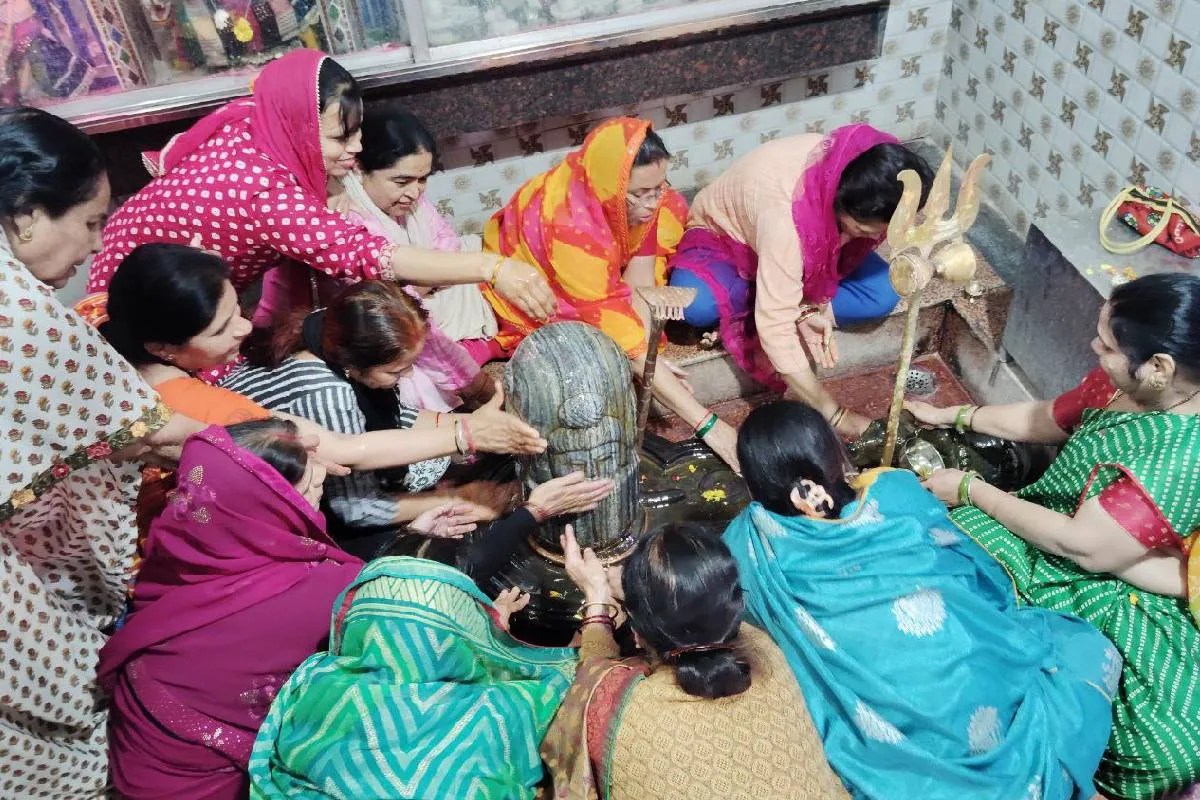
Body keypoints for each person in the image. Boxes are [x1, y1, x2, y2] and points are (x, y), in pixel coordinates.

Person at [93, 244, 598, 558]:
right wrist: (466, 476)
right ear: (163, 347)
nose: (246, 329)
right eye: (223, 327)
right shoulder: (299, 394)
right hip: (248, 534)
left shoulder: (323, 330)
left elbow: (390, 418)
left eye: (238, 311)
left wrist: (461, 426)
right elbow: (346, 462)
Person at [725, 400, 1119, 800]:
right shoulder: (895, 491)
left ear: (755, 480)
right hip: (975, 676)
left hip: (899, 756)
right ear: (830, 453)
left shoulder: (746, 547)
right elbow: (978, 573)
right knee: (1081, 650)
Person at [916, 272, 1200, 800]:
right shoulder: (1127, 385)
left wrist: (973, 490)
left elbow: (1080, 547)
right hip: (1064, 530)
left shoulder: (1178, 457)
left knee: (1163, 748)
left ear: (1159, 368)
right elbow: (1048, 417)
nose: (1094, 347)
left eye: (1108, 345)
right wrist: (954, 414)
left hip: (1110, 575)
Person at [0, 106, 200, 797]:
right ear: (27, 215)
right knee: (54, 734)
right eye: (89, 223)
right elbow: (147, 431)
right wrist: (270, 444)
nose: (94, 247)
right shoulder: (17, 314)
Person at [86, 49, 557, 334]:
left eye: (356, 131)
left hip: (143, 247)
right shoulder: (266, 194)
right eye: (340, 137)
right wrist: (491, 267)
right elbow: (368, 255)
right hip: (148, 296)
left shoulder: (260, 120)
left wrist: (327, 182)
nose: (357, 148)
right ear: (298, 127)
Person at [223, 279, 614, 556]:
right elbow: (355, 510)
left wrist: (471, 425)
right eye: (397, 371)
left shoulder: (333, 327)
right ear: (352, 364)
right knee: (451, 544)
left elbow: (394, 414)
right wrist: (466, 498)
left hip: (343, 462)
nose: (408, 377)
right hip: (305, 512)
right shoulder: (328, 394)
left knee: (481, 450)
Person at [96, 420, 364, 800]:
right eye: (311, 487)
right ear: (274, 504)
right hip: (206, 785)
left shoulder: (182, 529)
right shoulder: (325, 588)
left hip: (134, 758)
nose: (319, 485)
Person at [480, 117, 741, 469]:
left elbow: (640, 281)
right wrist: (710, 427)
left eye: (658, 188)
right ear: (609, 187)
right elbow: (613, 321)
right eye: (640, 194)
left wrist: (647, 354)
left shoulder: (639, 201)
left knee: (638, 329)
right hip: (545, 270)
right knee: (595, 341)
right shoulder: (569, 226)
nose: (652, 204)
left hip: (592, 255)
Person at [544, 523, 849, 799]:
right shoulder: (766, 651)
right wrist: (644, 595)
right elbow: (706, 613)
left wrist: (597, 599)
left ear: (637, 634)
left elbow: (592, 683)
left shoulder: (625, 713)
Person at [668, 125, 934, 437]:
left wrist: (806, 307)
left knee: (884, 291)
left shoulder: (864, 169)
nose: (877, 237)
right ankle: (771, 296)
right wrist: (835, 414)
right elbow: (776, 327)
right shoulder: (786, 223)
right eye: (866, 229)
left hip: (795, 246)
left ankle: (778, 294)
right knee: (696, 307)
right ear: (841, 205)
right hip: (726, 243)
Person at [247, 556, 578, 800]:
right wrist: (492, 644)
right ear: (458, 641)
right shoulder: (498, 710)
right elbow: (574, 687)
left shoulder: (315, 684)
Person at [259, 107, 495, 410]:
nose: (415, 193)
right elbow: (396, 311)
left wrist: (418, 284)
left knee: (471, 265)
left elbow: (448, 246)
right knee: (410, 379)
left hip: (414, 303)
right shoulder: (345, 218)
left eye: (423, 179)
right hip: (367, 328)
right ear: (359, 169)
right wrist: (476, 385)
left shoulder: (414, 202)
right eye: (402, 181)